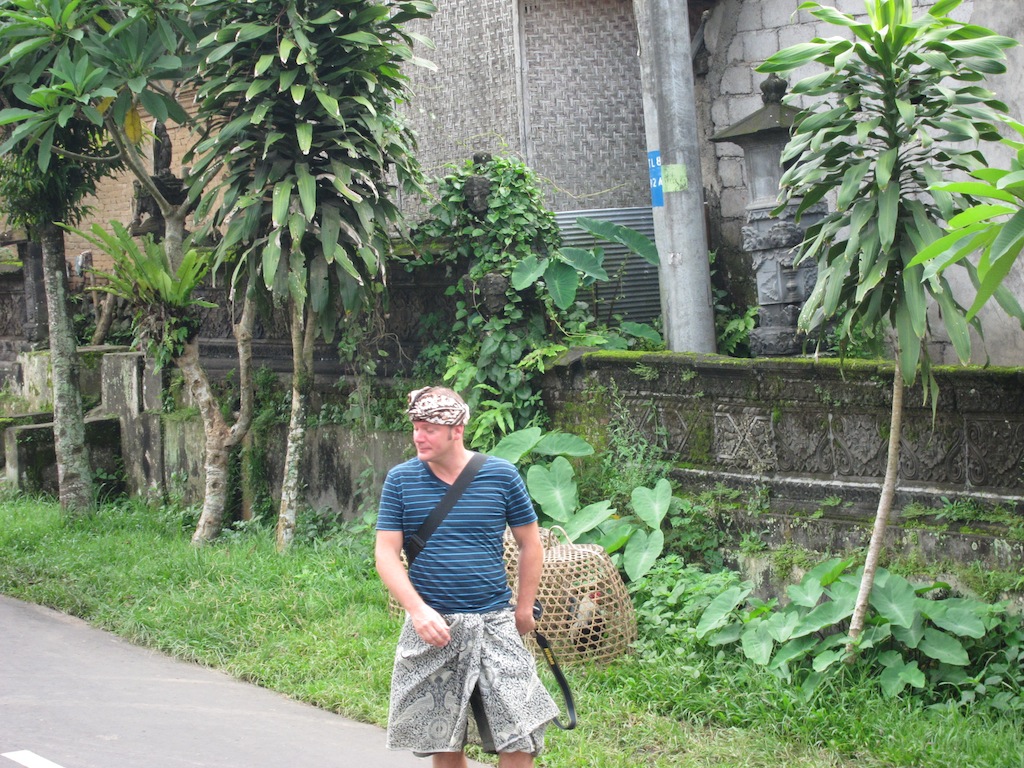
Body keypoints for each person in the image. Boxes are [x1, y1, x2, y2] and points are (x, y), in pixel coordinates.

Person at [375, 386, 558, 768]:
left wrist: (524, 608)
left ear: (456, 430)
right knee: (445, 739)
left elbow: (530, 544)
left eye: (429, 429)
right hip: (436, 627)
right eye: (415, 427)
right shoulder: (401, 480)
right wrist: (418, 611)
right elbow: (386, 554)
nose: (418, 437)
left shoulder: (501, 475)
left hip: (495, 622)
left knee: (520, 736)